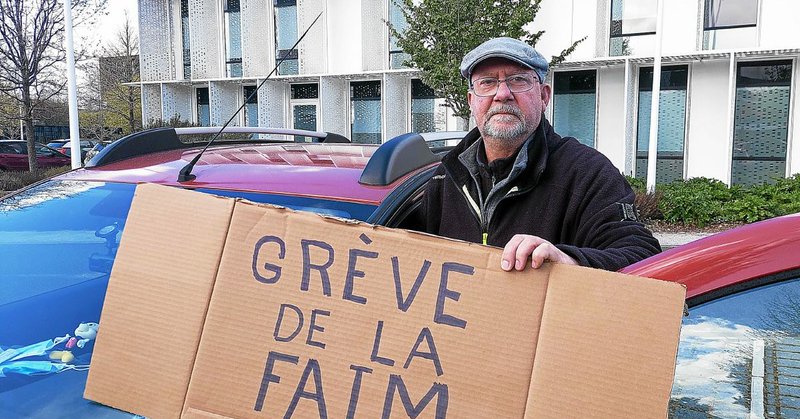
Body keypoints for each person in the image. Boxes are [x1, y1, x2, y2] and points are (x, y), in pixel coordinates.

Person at [418, 37, 661, 272]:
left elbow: (642, 256)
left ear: (544, 96)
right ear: (472, 101)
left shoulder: (588, 174)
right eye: (487, 82)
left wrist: (569, 261)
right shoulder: (446, 176)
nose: (502, 94)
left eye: (518, 80)